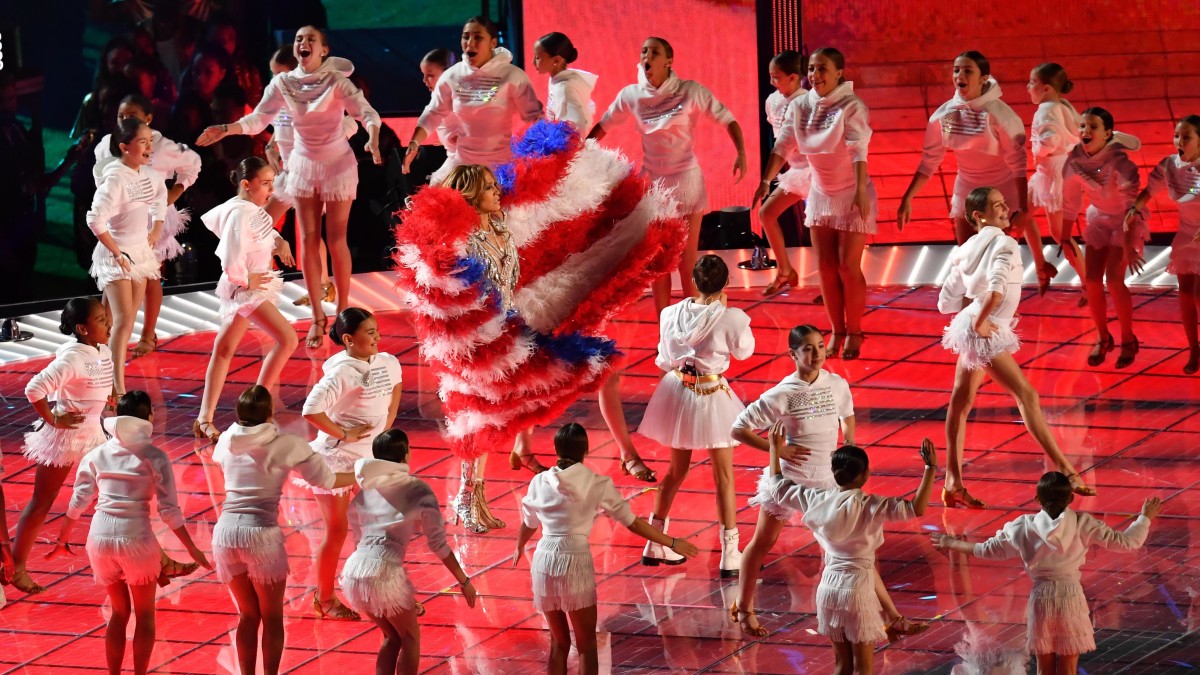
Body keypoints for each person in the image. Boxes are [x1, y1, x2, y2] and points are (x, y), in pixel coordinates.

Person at [393, 120, 687, 534]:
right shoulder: (467, 240)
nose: (498, 193)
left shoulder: (501, 227)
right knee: (474, 413)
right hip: (476, 337)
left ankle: (475, 492)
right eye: (491, 190)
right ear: (475, 196)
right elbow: (443, 271)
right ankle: (466, 497)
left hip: (508, 323)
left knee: (495, 409)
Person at [728, 324, 923, 641]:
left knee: (854, 551)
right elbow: (739, 429)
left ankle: (895, 618)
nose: (817, 353)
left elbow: (847, 413)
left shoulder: (836, 384)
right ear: (793, 354)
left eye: (820, 345)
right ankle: (745, 608)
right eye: (808, 348)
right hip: (791, 482)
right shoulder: (782, 393)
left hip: (829, 482)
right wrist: (777, 449)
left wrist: (850, 442)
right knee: (762, 543)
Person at [197, 25, 383, 349]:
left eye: (311, 39)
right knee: (307, 237)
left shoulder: (336, 81)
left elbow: (364, 113)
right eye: (299, 39)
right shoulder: (283, 83)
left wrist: (374, 136)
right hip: (300, 167)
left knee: (336, 238)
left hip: (337, 165)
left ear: (324, 50)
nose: (303, 43)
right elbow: (258, 118)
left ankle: (342, 314)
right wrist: (226, 129)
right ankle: (315, 317)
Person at [939, 187, 1097, 507]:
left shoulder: (966, 247)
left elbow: (946, 301)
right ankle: (1066, 470)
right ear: (978, 216)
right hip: (984, 331)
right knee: (1027, 396)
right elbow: (997, 290)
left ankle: (952, 482)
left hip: (972, 324)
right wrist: (983, 318)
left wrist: (974, 310)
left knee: (961, 401)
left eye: (1003, 203)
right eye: (996, 205)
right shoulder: (1004, 242)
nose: (1004, 208)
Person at [45, 391, 210, 675]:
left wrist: (62, 539)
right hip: (136, 540)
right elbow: (169, 511)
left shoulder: (97, 453)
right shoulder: (155, 456)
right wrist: (192, 547)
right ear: (149, 418)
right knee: (145, 614)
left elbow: (78, 502)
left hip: (99, 540)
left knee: (119, 613)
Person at [515, 423, 699, 675]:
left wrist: (518, 547)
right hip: (574, 559)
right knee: (587, 645)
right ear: (586, 451)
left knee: (559, 643)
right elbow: (633, 523)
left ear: (556, 449)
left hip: (543, 559)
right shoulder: (597, 483)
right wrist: (672, 542)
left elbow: (528, 524)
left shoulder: (538, 481)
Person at [933, 473, 1162, 675]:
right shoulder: (1083, 523)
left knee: (1044, 667)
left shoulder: (1024, 526)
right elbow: (1128, 542)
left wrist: (951, 543)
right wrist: (1145, 517)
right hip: (1070, 596)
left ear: (1037, 500)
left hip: (1041, 599)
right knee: (1068, 667)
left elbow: (988, 550)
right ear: (1071, 498)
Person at [762, 424, 937, 675]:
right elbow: (915, 508)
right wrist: (930, 469)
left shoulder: (816, 498)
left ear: (834, 474)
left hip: (829, 589)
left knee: (842, 666)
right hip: (858, 591)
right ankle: (897, 621)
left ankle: (896, 620)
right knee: (863, 669)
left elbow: (777, 487)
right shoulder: (871, 505)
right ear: (865, 474)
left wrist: (774, 449)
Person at [590, 36, 747, 314]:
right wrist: (581, 151)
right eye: (643, 51)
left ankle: (694, 323)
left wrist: (741, 152)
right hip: (654, 185)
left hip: (686, 182)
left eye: (654, 51)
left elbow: (727, 118)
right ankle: (666, 328)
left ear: (668, 62)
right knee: (658, 262)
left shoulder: (690, 91)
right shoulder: (631, 95)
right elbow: (603, 125)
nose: (647, 56)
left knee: (687, 263)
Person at [211, 385, 355, 675]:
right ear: (270, 413)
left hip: (225, 533)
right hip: (261, 535)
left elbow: (218, 460)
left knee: (248, 615)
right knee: (272, 616)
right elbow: (326, 480)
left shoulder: (226, 440)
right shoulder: (288, 444)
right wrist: (365, 470)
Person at [897, 51, 1057, 294]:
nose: (960, 75)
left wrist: (1022, 209)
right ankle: (972, 325)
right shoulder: (946, 114)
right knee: (968, 266)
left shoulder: (998, 113)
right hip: (967, 190)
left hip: (1000, 192)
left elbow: (1017, 162)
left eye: (967, 70)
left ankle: (995, 323)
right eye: (956, 70)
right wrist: (908, 197)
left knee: (996, 270)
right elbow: (930, 160)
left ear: (984, 78)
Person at [753, 48, 876, 359]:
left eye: (823, 69)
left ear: (838, 73)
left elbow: (858, 149)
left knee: (848, 267)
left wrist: (861, 189)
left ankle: (856, 330)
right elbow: (783, 144)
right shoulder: (801, 105)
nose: (815, 74)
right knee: (825, 267)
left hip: (851, 189)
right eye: (812, 68)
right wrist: (766, 181)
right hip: (821, 192)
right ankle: (837, 330)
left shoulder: (851, 105)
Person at [636, 254, 753, 577]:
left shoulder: (670, 313)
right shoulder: (733, 318)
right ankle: (730, 553)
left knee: (676, 470)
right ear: (726, 283)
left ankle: (655, 542)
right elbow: (744, 352)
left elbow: (664, 359)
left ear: (693, 282)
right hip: (712, 394)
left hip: (678, 392)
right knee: (724, 476)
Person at [341, 430, 479, 675]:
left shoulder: (363, 492)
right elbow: (438, 545)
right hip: (383, 570)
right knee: (409, 638)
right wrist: (464, 581)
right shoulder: (418, 489)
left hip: (353, 571)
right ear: (405, 455)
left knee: (390, 637)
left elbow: (357, 539)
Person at [301, 307, 403, 619]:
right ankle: (326, 598)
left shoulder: (388, 362)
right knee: (337, 531)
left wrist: (386, 427)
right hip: (337, 462)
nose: (377, 337)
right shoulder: (341, 372)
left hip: (370, 459)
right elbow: (311, 410)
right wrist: (344, 433)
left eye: (377, 330)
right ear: (348, 339)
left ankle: (380, 592)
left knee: (380, 528)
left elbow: (395, 388)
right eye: (369, 333)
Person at [10, 298, 114, 594]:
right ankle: (17, 567)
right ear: (82, 328)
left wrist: (112, 394)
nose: (108, 323)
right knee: (42, 501)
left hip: (94, 434)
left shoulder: (102, 349)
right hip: (67, 437)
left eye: (106, 318)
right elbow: (34, 388)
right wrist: (53, 419)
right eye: (101, 320)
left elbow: (105, 377)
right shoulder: (71, 359)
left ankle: (141, 558)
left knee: (117, 494)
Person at [193, 157, 297, 442]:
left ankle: (204, 419)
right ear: (246, 184)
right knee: (287, 339)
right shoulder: (241, 213)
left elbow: (262, 232)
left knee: (224, 349)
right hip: (247, 288)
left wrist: (281, 242)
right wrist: (245, 278)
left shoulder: (247, 209)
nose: (271, 191)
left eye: (272, 184)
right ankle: (258, 409)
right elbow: (230, 254)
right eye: (265, 184)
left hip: (247, 286)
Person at [95, 93, 203, 358]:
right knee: (113, 279)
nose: (125, 120)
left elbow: (193, 163)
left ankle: (147, 334)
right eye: (121, 116)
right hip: (119, 222)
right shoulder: (106, 145)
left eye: (132, 116)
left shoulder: (162, 146)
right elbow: (103, 181)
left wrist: (173, 194)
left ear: (148, 119)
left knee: (150, 275)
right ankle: (106, 335)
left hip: (150, 219)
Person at [403, 16, 543, 185]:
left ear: (492, 43)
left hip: (501, 169)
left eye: (478, 37)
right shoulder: (452, 75)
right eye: (466, 36)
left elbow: (534, 117)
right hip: (462, 168)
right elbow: (434, 111)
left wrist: (541, 153)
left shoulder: (512, 75)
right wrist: (414, 142)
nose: (470, 42)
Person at [86, 117, 166, 398]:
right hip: (116, 255)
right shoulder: (116, 178)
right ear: (124, 147)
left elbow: (160, 194)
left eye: (150, 141)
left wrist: (157, 225)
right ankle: (117, 387)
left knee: (114, 321)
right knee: (121, 322)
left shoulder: (147, 174)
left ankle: (101, 375)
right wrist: (118, 253)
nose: (148, 147)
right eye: (142, 142)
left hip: (140, 254)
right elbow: (95, 220)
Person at [1062, 107, 1146, 368]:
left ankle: (1128, 339)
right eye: (1083, 126)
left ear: (1108, 133)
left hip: (1125, 221)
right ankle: (1103, 337)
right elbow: (1070, 197)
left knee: (1115, 279)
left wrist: (1131, 243)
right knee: (1093, 281)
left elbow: (1133, 207)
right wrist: (1064, 234)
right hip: (1099, 220)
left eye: (1093, 127)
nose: (1085, 131)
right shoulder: (1074, 159)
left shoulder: (1121, 164)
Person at [1126, 115, 1200, 373]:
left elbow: (1195, 193)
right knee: (1186, 296)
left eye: (1186, 136)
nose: (1179, 141)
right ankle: (1194, 349)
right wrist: (1134, 209)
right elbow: (1149, 190)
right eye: (1177, 135)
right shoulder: (1169, 165)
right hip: (1187, 236)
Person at [1027, 63, 1086, 295]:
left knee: (1059, 234)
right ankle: (1042, 267)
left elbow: (1050, 141)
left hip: (1051, 175)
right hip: (1052, 172)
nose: (1028, 87)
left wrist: (1037, 148)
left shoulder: (1044, 110)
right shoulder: (1063, 105)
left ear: (1047, 88)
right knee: (1021, 214)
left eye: (1032, 83)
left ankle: (1087, 282)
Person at [756, 50, 808, 297]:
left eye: (777, 77)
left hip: (818, 172)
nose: (772, 82)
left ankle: (833, 285)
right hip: (797, 171)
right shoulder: (772, 100)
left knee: (821, 229)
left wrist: (768, 178)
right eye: (770, 76)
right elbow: (780, 141)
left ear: (793, 78)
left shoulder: (807, 102)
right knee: (766, 214)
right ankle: (785, 271)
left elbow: (790, 141)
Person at [532, 32, 598, 134]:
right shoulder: (557, 81)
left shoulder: (564, 89)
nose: (533, 62)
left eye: (537, 57)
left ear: (556, 60)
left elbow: (575, 131)